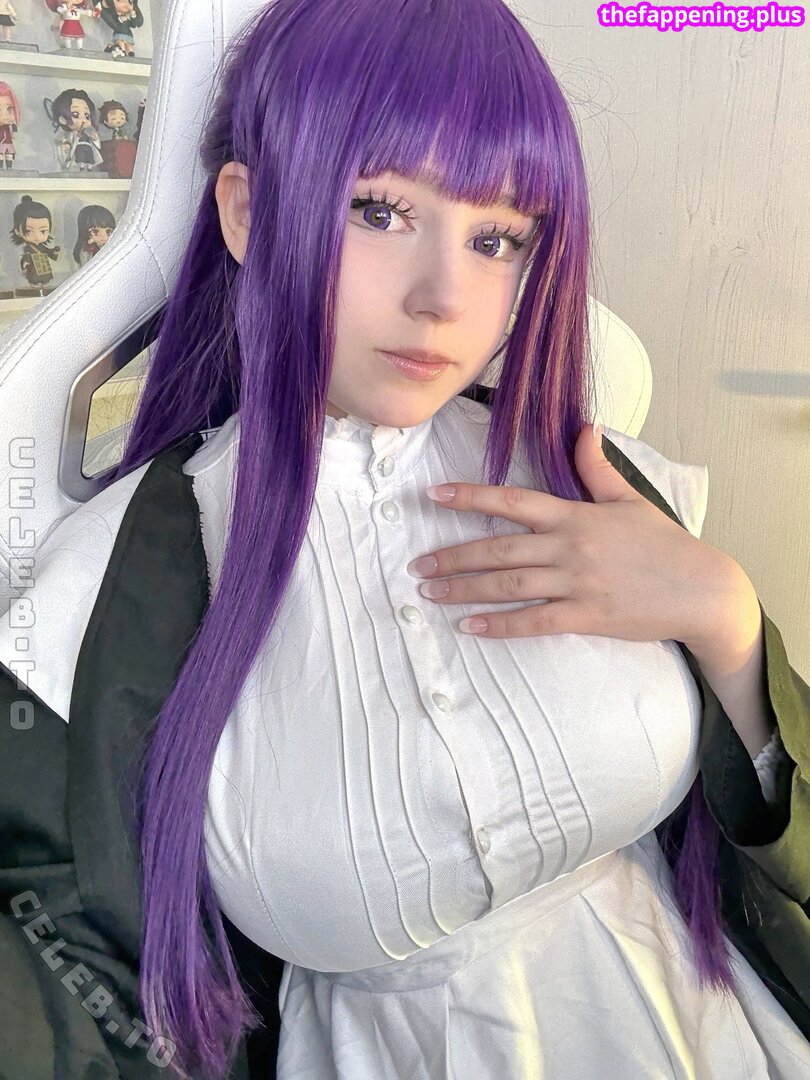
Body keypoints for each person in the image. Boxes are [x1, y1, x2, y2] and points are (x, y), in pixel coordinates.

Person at [1, 0, 808, 1078]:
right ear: (247, 211)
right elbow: (66, 988)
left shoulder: (598, 479)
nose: (444, 297)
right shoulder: (111, 593)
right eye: (378, 210)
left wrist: (729, 625)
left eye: (496, 237)